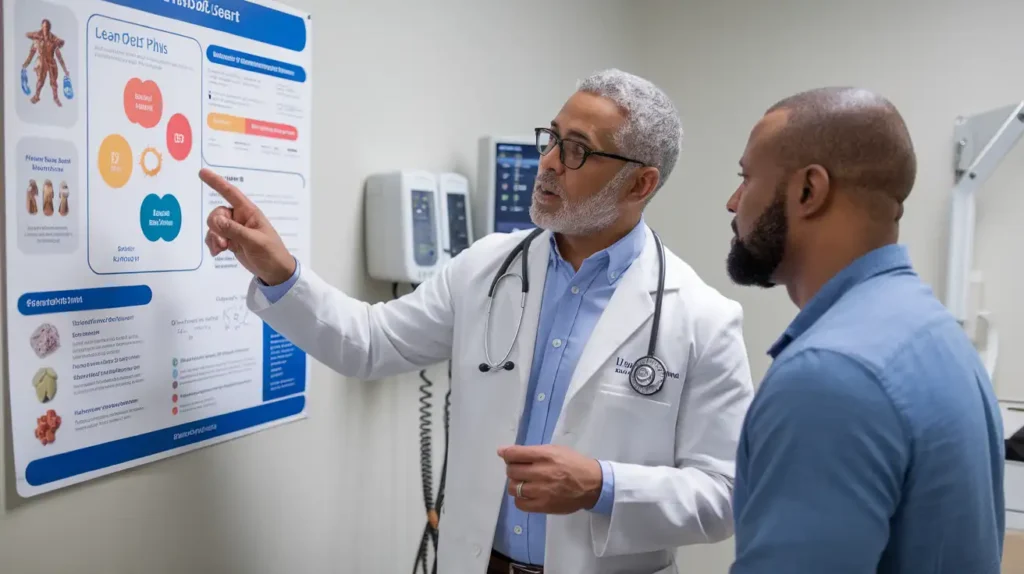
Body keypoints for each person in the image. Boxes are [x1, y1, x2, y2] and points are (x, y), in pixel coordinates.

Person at [202, 69, 754, 574]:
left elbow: (728, 493)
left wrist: (603, 486)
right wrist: (278, 270)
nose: (550, 162)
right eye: (553, 138)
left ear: (639, 184)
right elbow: (368, 344)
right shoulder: (486, 266)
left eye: (578, 151)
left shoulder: (702, 319)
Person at [724, 86, 1006, 573]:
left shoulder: (829, 375)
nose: (733, 203)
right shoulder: (934, 334)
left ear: (809, 190)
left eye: (746, 178)